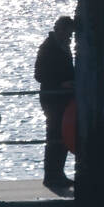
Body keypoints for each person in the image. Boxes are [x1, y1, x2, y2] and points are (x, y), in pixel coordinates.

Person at [34, 16, 75, 189]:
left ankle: (58, 172)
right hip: (52, 97)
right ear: (59, 30)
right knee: (54, 135)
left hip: (63, 97)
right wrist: (60, 82)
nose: (69, 36)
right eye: (67, 32)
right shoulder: (48, 48)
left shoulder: (64, 47)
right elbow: (40, 75)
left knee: (63, 135)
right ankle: (51, 175)